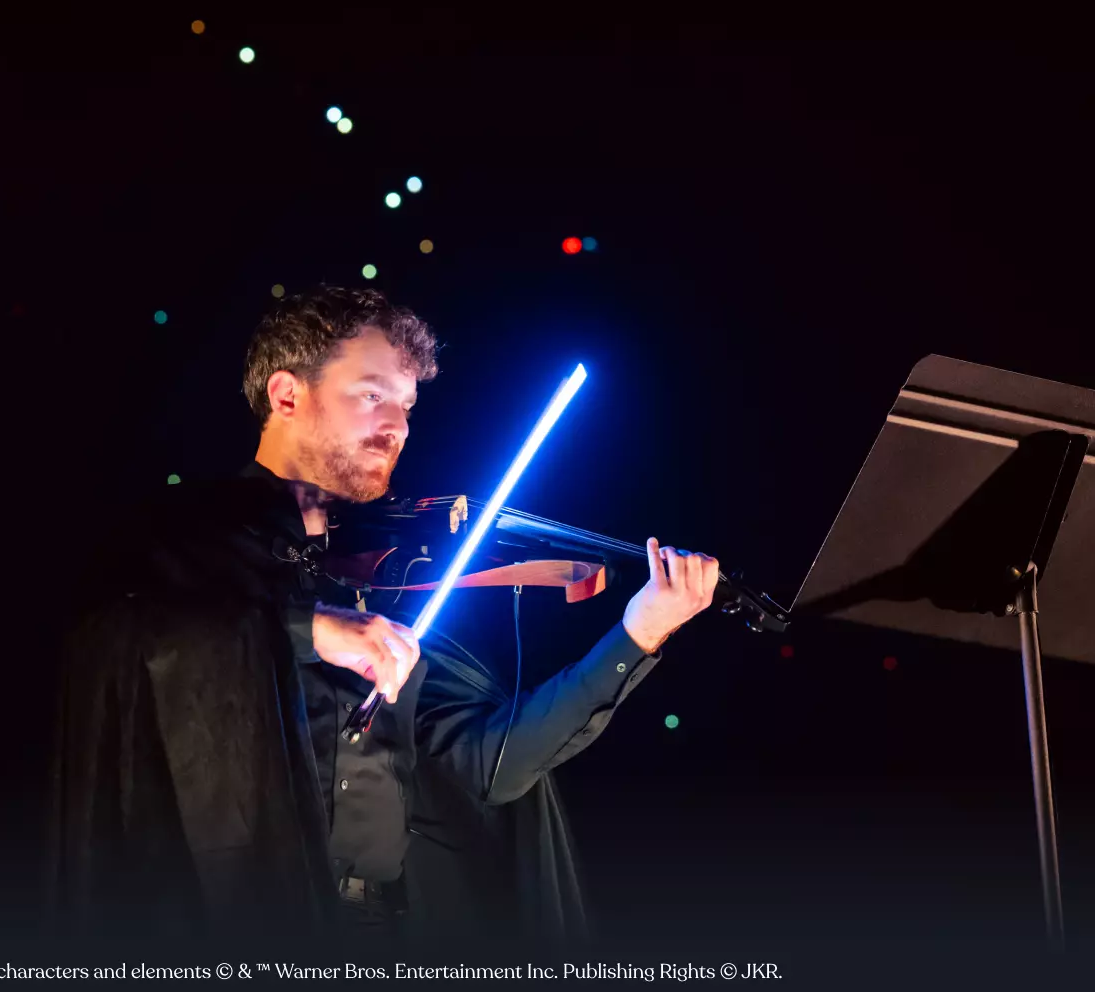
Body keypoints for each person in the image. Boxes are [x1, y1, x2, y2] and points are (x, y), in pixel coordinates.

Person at [39, 284, 717, 957]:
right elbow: (117, 647)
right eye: (372, 396)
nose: (398, 426)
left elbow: (490, 766)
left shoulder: (385, 572)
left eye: (408, 405)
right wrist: (307, 629)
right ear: (286, 396)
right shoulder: (182, 536)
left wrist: (639, 632)